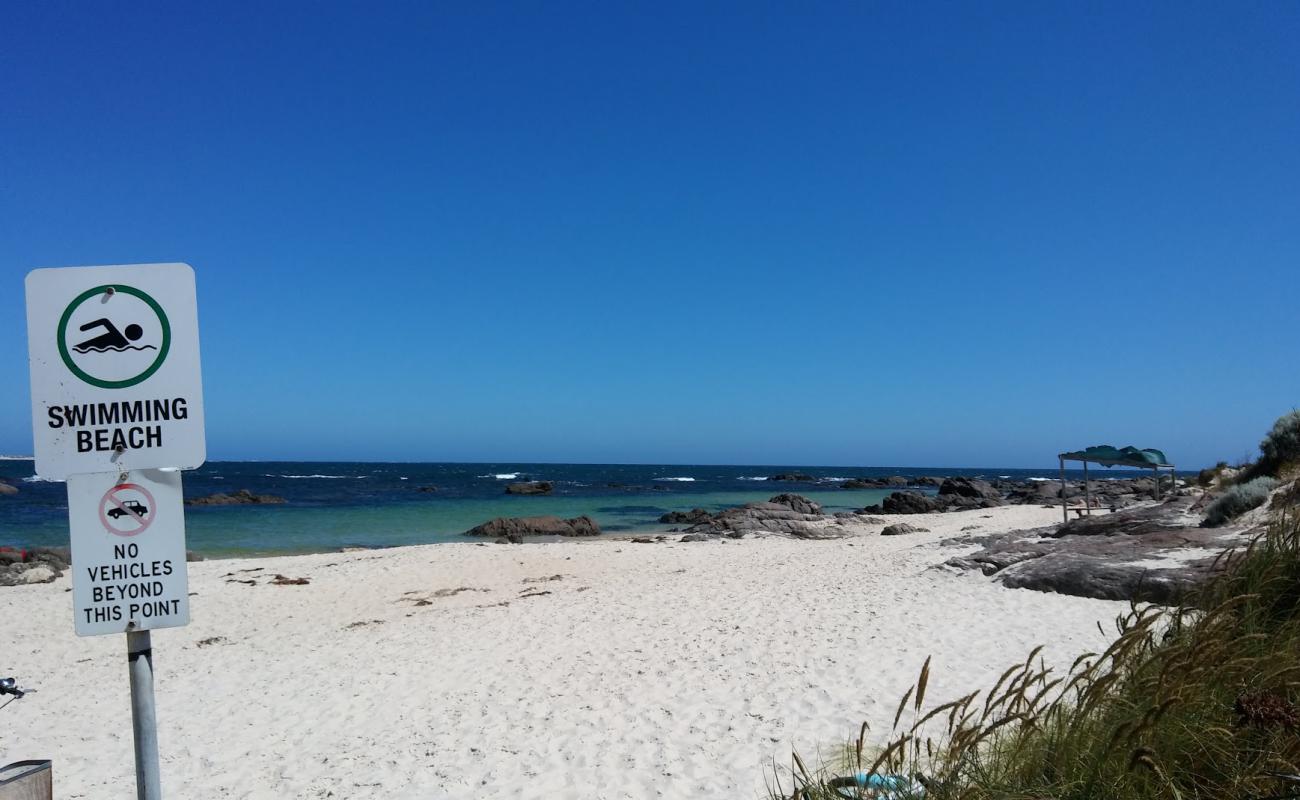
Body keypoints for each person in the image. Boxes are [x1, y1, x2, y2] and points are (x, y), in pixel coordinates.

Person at [73, 319, 143, 352]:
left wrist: (83, 328)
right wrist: (83, 328)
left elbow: (104, 322)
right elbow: (104, 322)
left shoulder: (119, 338)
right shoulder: (119, 339)